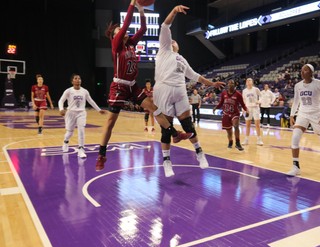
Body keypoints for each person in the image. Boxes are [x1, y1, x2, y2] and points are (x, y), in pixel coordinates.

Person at [95, 0, 191, 171]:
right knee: (110, 121)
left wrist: (141, 10)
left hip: (132, 86)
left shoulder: (130, 44)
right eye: (118, 31)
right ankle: (102, 155)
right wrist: (132, 3)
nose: (122, 32)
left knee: (155, 108)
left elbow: (144, 29)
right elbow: (124, 26)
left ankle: (175, 135)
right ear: (114, 36)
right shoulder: (116, 45)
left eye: (121, 31)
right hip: (119, 87)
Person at [153, 5, 225, 177]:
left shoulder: (182, 59)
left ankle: (200, 153)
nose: (172, 41)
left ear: (178, 46)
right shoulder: (164, 50)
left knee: (188, 125)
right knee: (166, 129)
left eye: (174, 41)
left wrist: (212, 84)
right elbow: (165, 26)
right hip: (163, 89)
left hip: (179, 90)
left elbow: (196, 77)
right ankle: (167, 162)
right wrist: (174, 11)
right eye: (170, 40)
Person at [287, 64, 320, 176]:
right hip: (302, 113)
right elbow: (296, 101)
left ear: (311, 72)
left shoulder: (319, 84)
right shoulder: (298, 85)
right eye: (301, 70)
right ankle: (295, 166)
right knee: (295, 137)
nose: (302, 72)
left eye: (305, 70)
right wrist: (292, 115)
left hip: (317, 114)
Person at [58, 73, 107, 158]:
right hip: (70, 113)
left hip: (81, 113)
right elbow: (61, 101)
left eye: (79, 78)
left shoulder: (84, 91)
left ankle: (81, 149)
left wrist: (99, 110)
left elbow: (91, 101)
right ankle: (66, 141)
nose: (78, 80)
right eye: (76, 78)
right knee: (69, 132)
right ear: (72, 81)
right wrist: (61, 109)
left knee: (81, 130)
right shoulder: (68, 91)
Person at [213, 79, 247, 151]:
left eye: (232, 83)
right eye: (229, 83)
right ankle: (230, 141)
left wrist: (247, 110)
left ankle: (238, 143)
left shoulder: (238, 94)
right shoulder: (224, 93)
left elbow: (243, 104)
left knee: (236, 126)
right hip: (226, 113)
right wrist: (216, 107)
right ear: (227, 85)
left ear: (234, 85)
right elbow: (221, 103)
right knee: (229, 130)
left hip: (235, 113)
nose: (230, 84)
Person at [241, 78, 263, 146]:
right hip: (248, 108)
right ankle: (246, 140)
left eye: (250, 80)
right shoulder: (244, 91)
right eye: (247, 80)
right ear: (246, 83)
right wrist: (243, 108)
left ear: (252, 82)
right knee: (247, 125)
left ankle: (259, 139)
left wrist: (259, 101)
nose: (248, 81)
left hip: (255, 108)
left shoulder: (256, 89)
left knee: (257, 124)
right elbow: (243, 100)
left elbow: (261, 96)